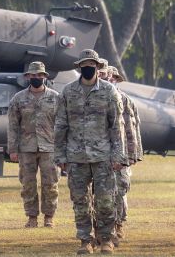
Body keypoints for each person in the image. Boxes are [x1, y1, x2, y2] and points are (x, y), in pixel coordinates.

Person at [54, 49, 127, 255]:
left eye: (92, 65)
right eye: (84, 65)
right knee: (80, 201)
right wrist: (59, 155)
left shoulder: (109, 91)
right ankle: (85, 240)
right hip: (75, 157)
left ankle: (106, 239)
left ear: (97, 67)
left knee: (105, 200)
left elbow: (116, 126)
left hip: (103, 156)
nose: (88, 68)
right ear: (79, 68)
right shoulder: (68, 92)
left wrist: (118, 156)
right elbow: (60, 125)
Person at [7, 61, 60, 228]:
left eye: (39, 75)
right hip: (26, 148)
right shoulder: (18, 98)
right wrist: (13, 149)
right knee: (28, 184)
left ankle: (49, 216)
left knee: (50, 184)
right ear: (28, 77)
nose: (36, 78)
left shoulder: (55, 98)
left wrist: (62, 148)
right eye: (33, 75)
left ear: (45, 77)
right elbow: (13, 125)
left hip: (49, 147)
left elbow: (62, 124)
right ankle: (31, 217)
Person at [108, 66, 140, 245]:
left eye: (111, 77)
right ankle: (104, 228)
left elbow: (131, 129)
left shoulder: (125, 100)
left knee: (120, 190)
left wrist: (133, 154)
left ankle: (119, 223)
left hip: (122, 154)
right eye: (105, 75)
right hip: (102, 153)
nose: (108, 79)